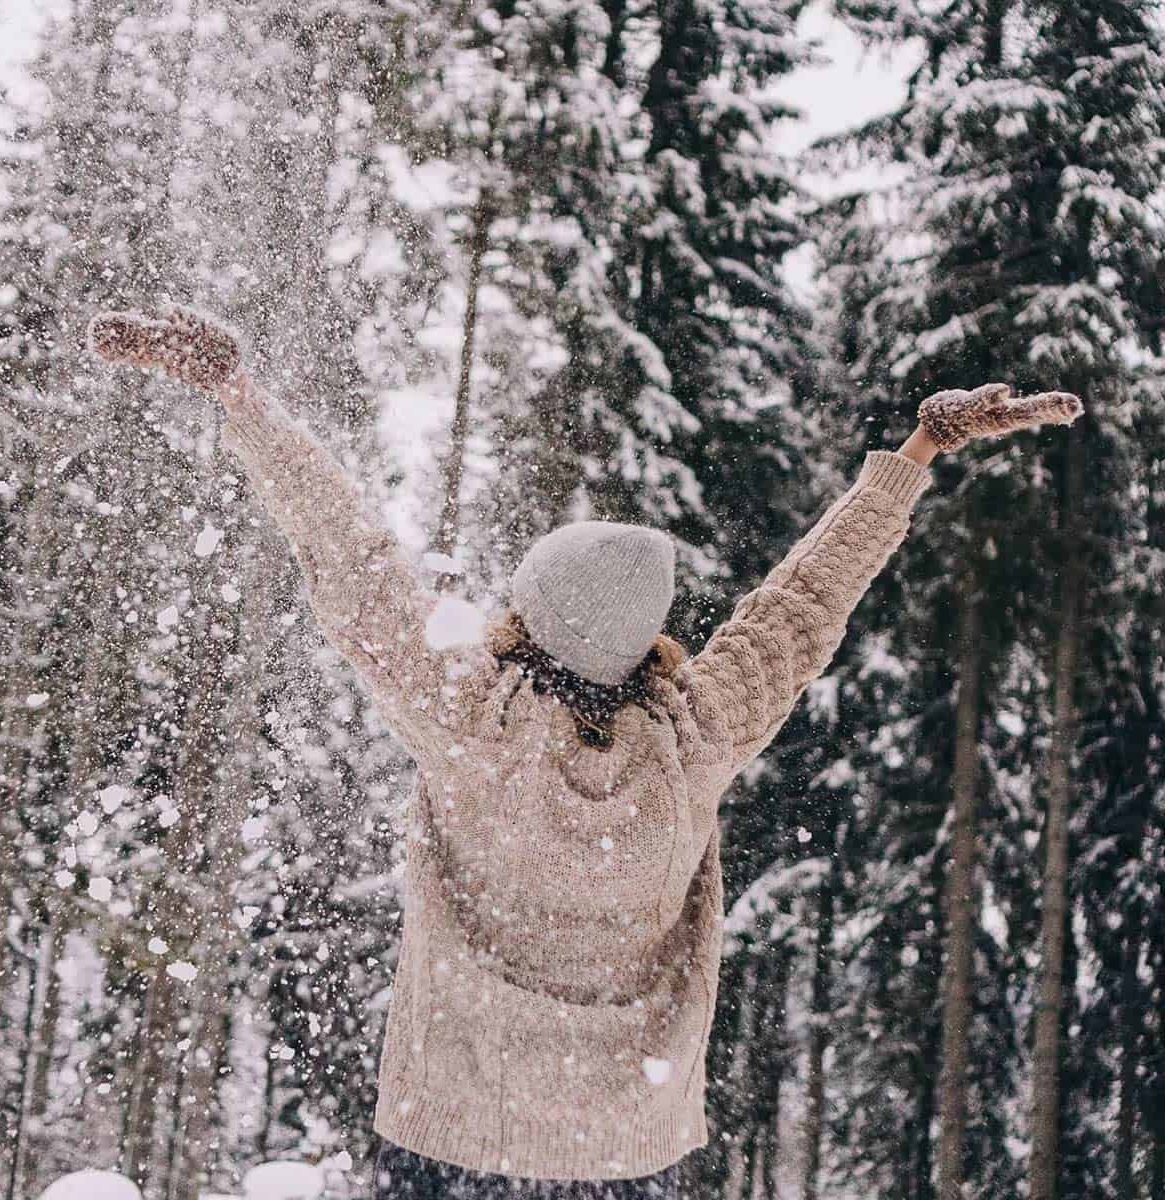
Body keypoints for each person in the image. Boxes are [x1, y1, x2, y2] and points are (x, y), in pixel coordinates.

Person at [87, 305, 1082, 1199]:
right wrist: (914, 451)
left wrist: (239, 396)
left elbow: (349, 561)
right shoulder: (698, 734)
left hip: (452, 1136)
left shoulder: (470, 719)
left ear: (528, 616)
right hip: (624, 1151)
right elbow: (805, 602)